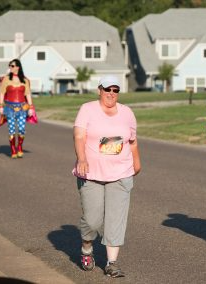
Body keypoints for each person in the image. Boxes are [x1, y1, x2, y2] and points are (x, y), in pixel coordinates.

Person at [72, 75, 141, 277]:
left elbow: (132, 141)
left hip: (121, 172)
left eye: (115, 90)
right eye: (107, 89)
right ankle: (86, 246)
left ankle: (112, 262)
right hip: (91, 173)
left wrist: (137, 161)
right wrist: (81, 159)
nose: (111, 93)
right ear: (99, 90)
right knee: (92, 220)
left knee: (116, 219)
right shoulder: (87, 109)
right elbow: (79, 136)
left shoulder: (127, 113)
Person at [0, 59, 34, 159]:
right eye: (10, 66)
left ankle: (20, 147)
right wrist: (1, 106)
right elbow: (2, 93)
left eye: (12, 66)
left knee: (22, 129)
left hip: (22, 108)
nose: (10, 67)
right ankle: (13, 149)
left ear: (18, 67)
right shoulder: (6, 79)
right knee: (11, 130)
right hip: (9, 108)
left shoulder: (25, 80)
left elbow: (28, 94)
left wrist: (31, 107)